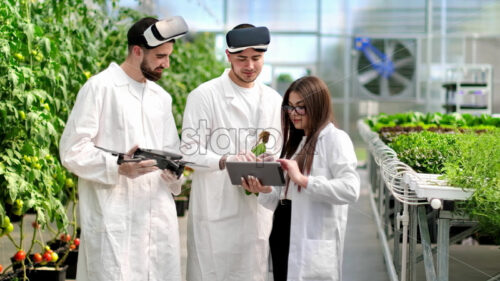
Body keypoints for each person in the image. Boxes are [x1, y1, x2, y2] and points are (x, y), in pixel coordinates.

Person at [59, 16, 188, 281]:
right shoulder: (100, 88)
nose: (166, 64)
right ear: (137, 50)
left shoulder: (161, 98)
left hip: (156, 215)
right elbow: (72, 151)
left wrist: (175, 172)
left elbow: (172, 152)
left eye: (169, 56)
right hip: (114, 217)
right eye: (160, 56)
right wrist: (118, 165)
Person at [180, 24, 283, 280]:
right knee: (211, 271)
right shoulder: (204, 96)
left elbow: (278, 149)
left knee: (250, 271)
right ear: (228, 56)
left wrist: (266, 175)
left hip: (254, 211)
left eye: (256, 58)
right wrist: (226, 160)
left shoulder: (273, 100)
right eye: (241, 59)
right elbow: (188, 151)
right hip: (214, 210)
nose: (250, 66)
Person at [242, 76, 361, 281]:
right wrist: (264, 189)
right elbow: (284, 200)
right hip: (282, 233)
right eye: (290, 107)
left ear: (317, 105)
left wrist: (303, 180)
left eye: (300, 107)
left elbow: (351, 189)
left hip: (311, 240)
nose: (293, 114)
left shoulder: (335, 139)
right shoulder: (296, 142)